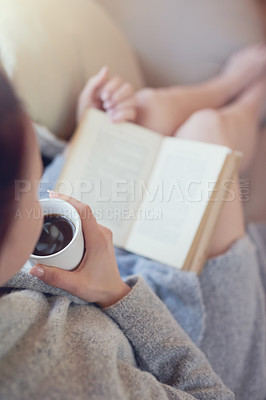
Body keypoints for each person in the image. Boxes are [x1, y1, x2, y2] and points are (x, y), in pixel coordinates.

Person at [0, 44, 266, 399]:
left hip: (88, 268)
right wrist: (116, 294)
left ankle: (229, 84)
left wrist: (87, 134)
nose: (39, 191)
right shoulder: (53, 376)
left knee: (138, 115)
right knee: (208, 134)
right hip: (174, 339)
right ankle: (255, 97)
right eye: (31, 189)